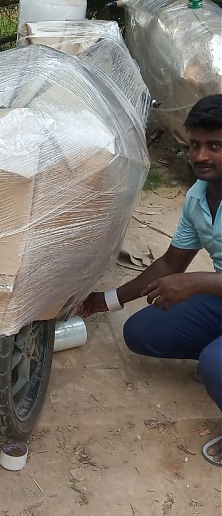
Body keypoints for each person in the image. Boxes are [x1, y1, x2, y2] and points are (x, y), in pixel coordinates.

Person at [80, 94, 222, 466]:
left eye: (215, 146)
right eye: (195, 145)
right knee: (141, 331)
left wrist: (198, 283)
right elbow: (173, 262)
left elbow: (190, 279)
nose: (201, 156)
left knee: (214, 363)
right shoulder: (198, 198)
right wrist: (106, 299)